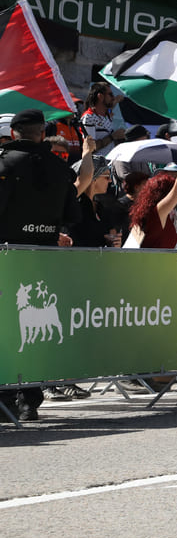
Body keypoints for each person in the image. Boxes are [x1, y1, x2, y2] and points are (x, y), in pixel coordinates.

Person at [0, 109, 83, 420]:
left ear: (15, 132)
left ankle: (7, 397)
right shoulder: (59, 168)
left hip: (7, 255)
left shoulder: (5, 162)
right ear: (40, 132)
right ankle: (29, 400)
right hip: (43, 257)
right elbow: (73, 216)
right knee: (32, 333)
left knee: (8, 329)